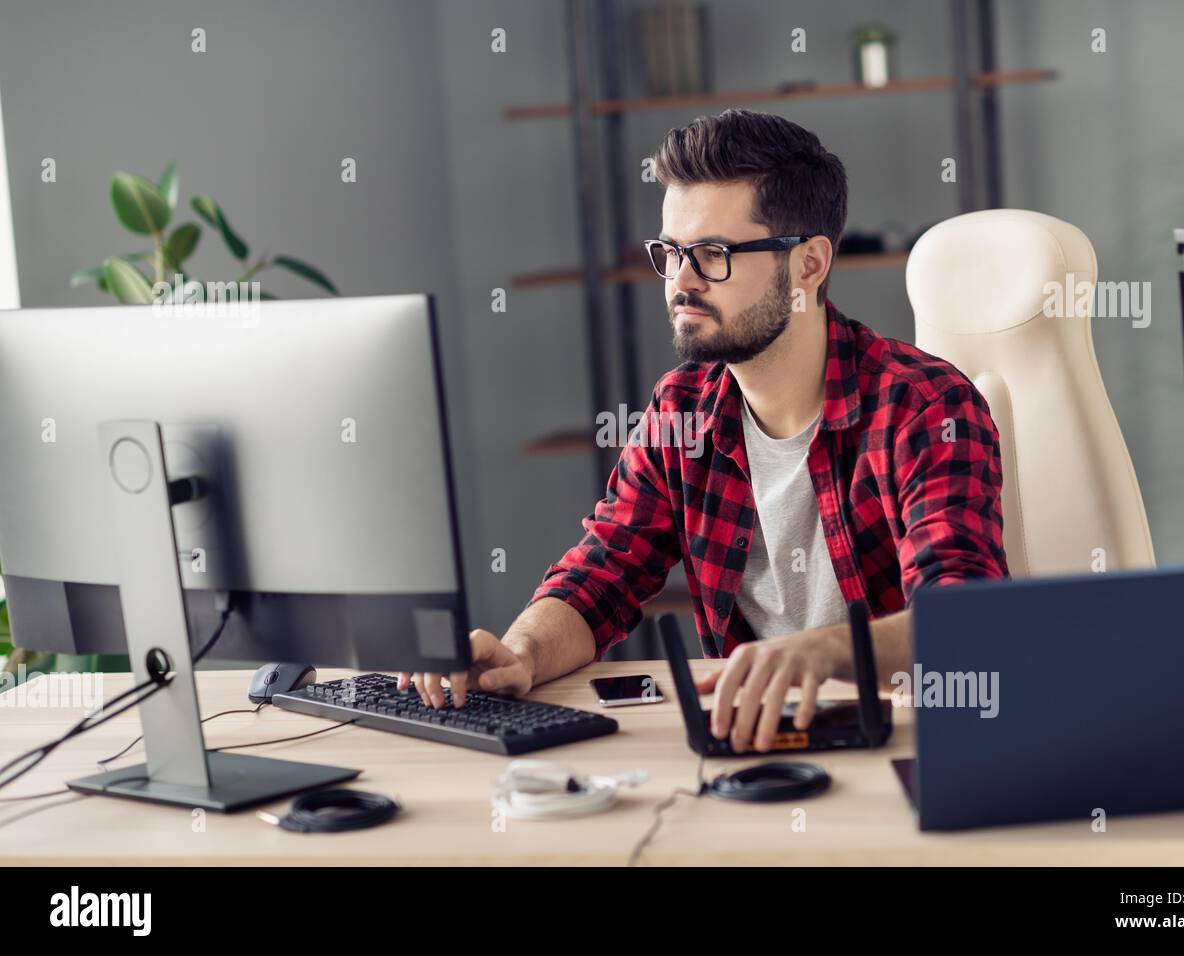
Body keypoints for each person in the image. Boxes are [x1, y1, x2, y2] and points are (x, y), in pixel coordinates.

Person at [400, 108, 1009, 753]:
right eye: (671, 253)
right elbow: (602, 576)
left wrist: (828, 652)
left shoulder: (925, 408)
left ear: (808, 265)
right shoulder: (682, 410)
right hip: (754, 752)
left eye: (714, 255)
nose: (681, 283)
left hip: (913, 749)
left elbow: (967, 621)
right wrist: (519, 653)